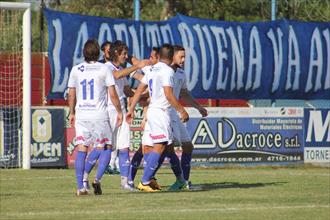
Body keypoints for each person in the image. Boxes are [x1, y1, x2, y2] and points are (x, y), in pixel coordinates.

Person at [126, 43, 189, 192]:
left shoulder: (152, 69)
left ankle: (180, 180)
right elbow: (168, 94)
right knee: (159, 147)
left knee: (168, 148)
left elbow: (140, 89)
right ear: (172, 56)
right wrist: (182, 111)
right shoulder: (168, 71)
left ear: (159, 56)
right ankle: (145, 181)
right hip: (161, 112)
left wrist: (131, 108)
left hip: (153, 111)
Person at [67, 39, 122, 196]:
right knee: (106, 147)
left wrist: (71, 112)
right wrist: (119, 112)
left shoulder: (76, 69)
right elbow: (112, 94)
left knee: (82, 149)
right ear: (98, 52)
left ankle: (80, 187)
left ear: (83, 53)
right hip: (99, 115)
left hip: (82, 115)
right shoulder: (104, 69)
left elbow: (71, 93)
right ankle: (97, 179)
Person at [169, 45, 208, 189]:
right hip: (165, 114)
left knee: (187, 147)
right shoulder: (165, 72)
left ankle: (183, 181)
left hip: (175, 113)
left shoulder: (180, 73)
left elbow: (184, 93)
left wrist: (198, 107)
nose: (184, 60)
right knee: (165, 148)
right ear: (172, 56)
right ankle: (146, 179)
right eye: (181, 56)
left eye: (185, 57)